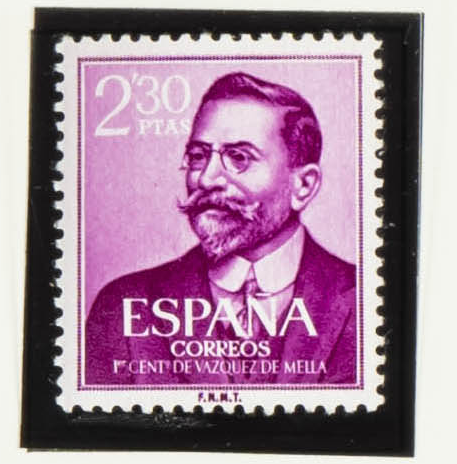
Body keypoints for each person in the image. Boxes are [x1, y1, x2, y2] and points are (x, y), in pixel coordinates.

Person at [81, 69, 360, 387]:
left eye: (239, 157)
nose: (206, 178)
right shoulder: (123, 306)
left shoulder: (365, 302)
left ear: (303, 186)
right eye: (198, 156)